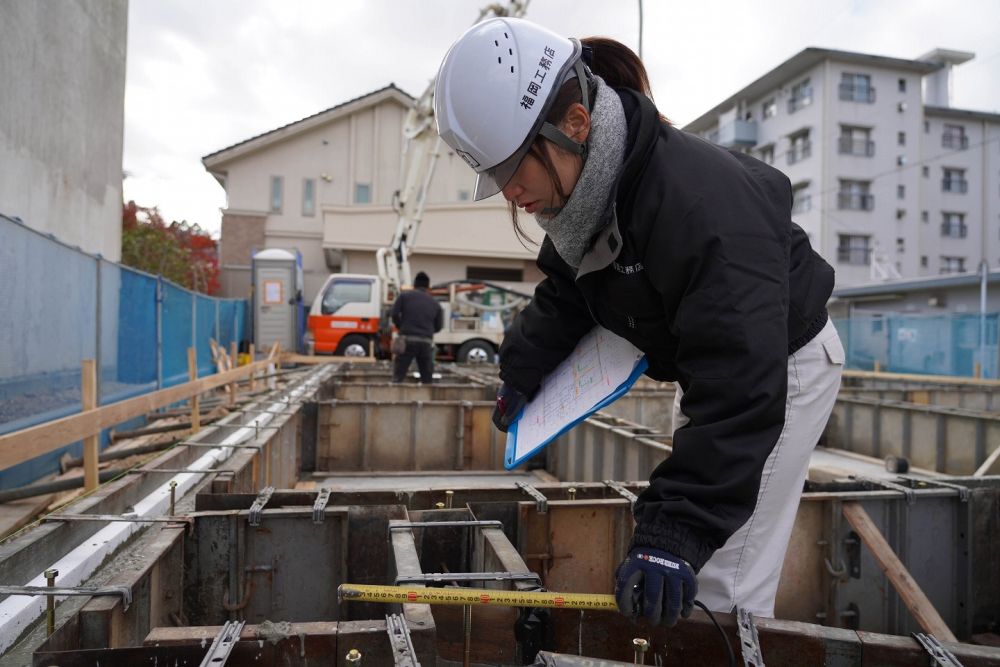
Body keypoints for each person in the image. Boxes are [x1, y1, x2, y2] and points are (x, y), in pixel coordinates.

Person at [434, 18, 844, 626]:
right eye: (493, 175)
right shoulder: (591, 197)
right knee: (698, 566)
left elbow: (741, 385)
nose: (507, 190)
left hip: (783, 367)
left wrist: (673, 533)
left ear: (575, 125)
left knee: (718, 579)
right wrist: (521, 367)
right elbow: (568, 292)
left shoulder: (700, 207)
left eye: (513, 166)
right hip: (720, 361)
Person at [391, 271, 444, 384]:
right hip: (425, 343)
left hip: (407, 341)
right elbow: (439, 326)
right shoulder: (435, 303)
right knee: (427, 379)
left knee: (398, 376)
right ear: (428, 287)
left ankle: (394, 395)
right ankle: (427, 398)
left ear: (414, 285)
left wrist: (401, 327)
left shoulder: (404, 297)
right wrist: (426, 331)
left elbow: (394, 314)